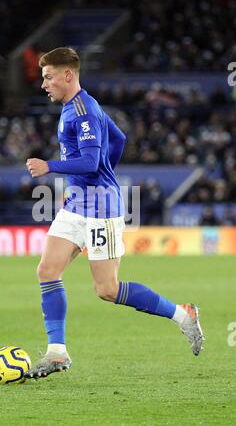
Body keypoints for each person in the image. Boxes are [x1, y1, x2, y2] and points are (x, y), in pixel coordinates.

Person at [24, 47, 204, 379]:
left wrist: (50, 166)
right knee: (47, 270)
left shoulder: (84, 111)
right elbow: (118, 139)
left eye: (48, 77)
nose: (43, 85)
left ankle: (183, 314)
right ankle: (57, 353)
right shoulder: (75, 107)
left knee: (107, 289)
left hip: (101, 208)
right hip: (77, 203)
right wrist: (97, 174)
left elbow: (92, 162)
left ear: (68, 75)